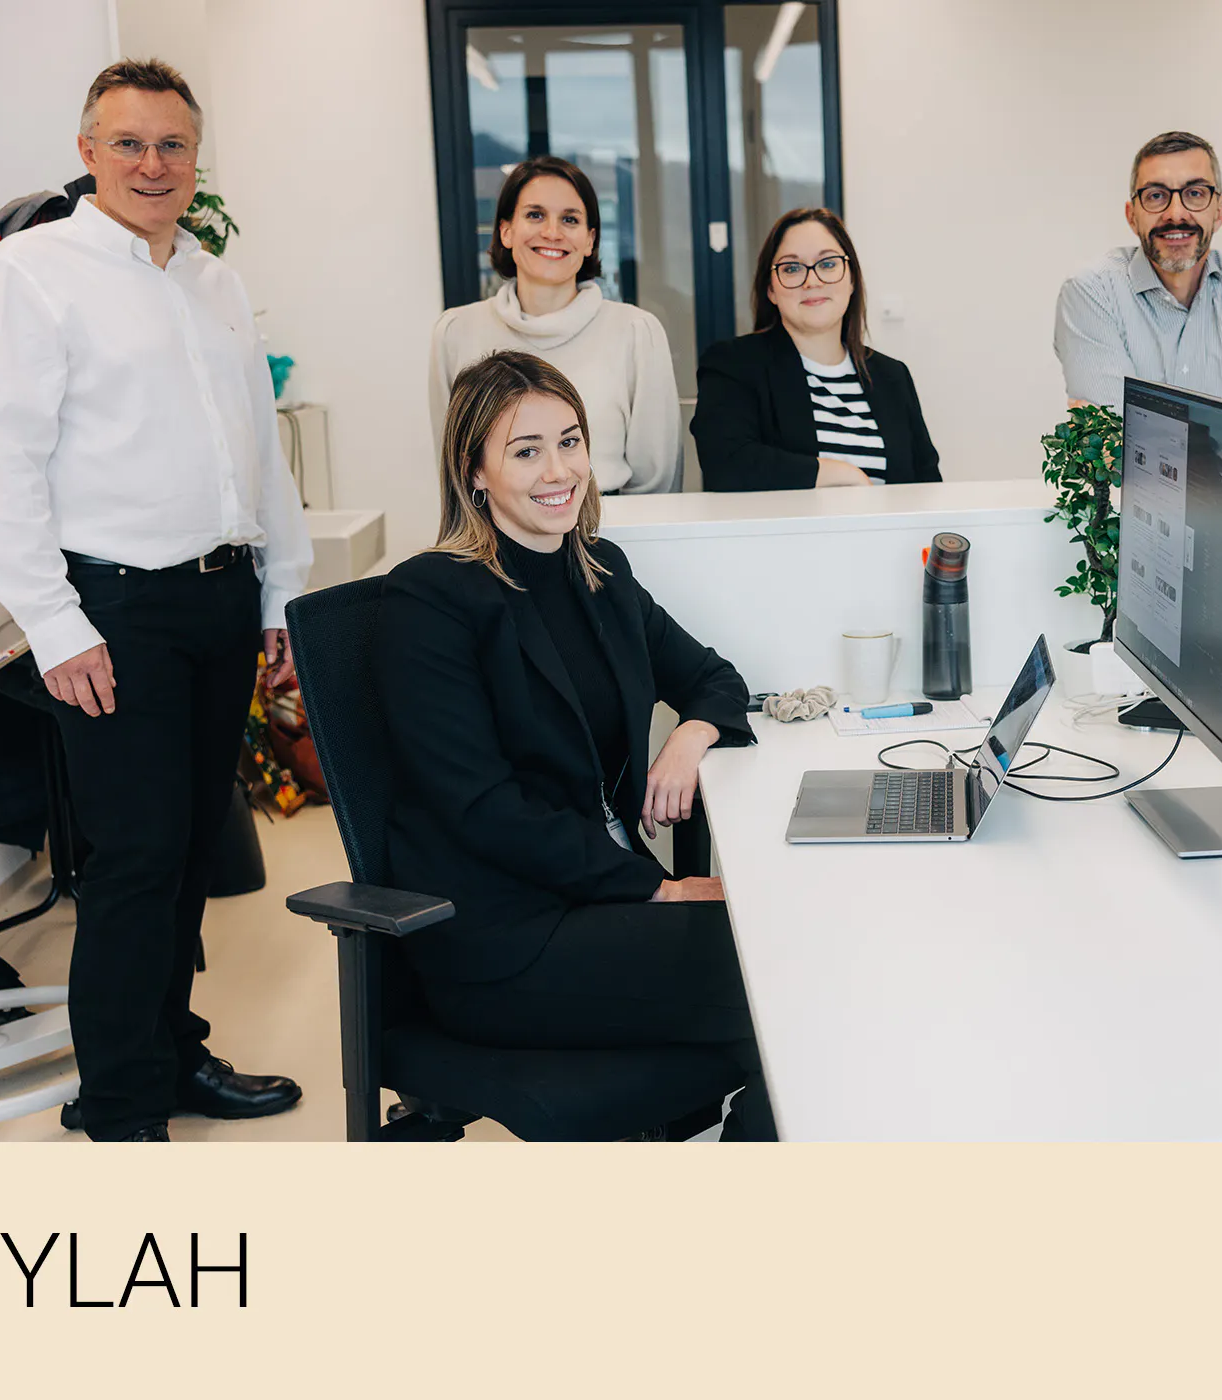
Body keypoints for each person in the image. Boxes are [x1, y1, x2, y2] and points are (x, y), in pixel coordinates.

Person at [0, 58, 312, 1141]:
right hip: (112, 611)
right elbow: (4, 467)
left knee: (193, 846)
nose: (152, 164)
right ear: (87, 152)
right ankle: (117, 1104)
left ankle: (171, 1055)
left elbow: (260, 452)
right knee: (135, 858)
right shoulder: (32, 274)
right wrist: (55, 627)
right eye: (129, 143)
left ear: (195, 159)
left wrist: (281, 599)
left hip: (220, 598)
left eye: (172, 145)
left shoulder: (212, 279)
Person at [379, 350, 774, 1140]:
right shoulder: (429, 600)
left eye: (570, 441)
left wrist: (689, 735)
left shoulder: (600, 571)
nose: (558, 470)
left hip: (599, 901)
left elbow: (713, 678)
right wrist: (654, 888)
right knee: (787, 982)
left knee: (792, 964)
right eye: (526, 451)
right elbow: (484, 810)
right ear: (475, 471)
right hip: (506, 938)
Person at [430, 156, 680, 495]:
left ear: (590, 240)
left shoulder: (636, 331)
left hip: (609, 525)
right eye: (535, 215)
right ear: (505, 231)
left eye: (570, 219)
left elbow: (656, 482)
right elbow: (453, 471)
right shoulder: (455, 331)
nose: (552, 232)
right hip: (492, 528)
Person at [1055, 131, 1222, 470]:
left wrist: (1144, 443)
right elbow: (1110, 447)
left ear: (1220, 211)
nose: (1176, 213)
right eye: (1156, 196)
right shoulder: (1091, 291)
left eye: (1195, 193)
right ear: (1132, 215)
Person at [692, 207, 941, 491]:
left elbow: (928, 487)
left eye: (828, 264)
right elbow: (725, 463)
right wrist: (842, 474)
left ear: (852, 279)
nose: (812, 281)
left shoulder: (892, 376)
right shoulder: (734, 364)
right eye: (791, 268)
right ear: (771, 290)